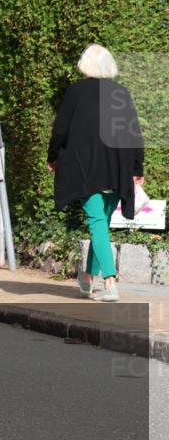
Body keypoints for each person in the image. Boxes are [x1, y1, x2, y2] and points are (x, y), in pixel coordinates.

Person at [48, 44, 145, 302]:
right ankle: (87, 280)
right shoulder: (121, 93)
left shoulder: (76, 92)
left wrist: (53, 156)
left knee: (97, 223)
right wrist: (137, 168)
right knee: (100, 222)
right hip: (118, 169)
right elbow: (135, 133)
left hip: (87, 168)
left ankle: (110, 283)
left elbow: (60, 129)